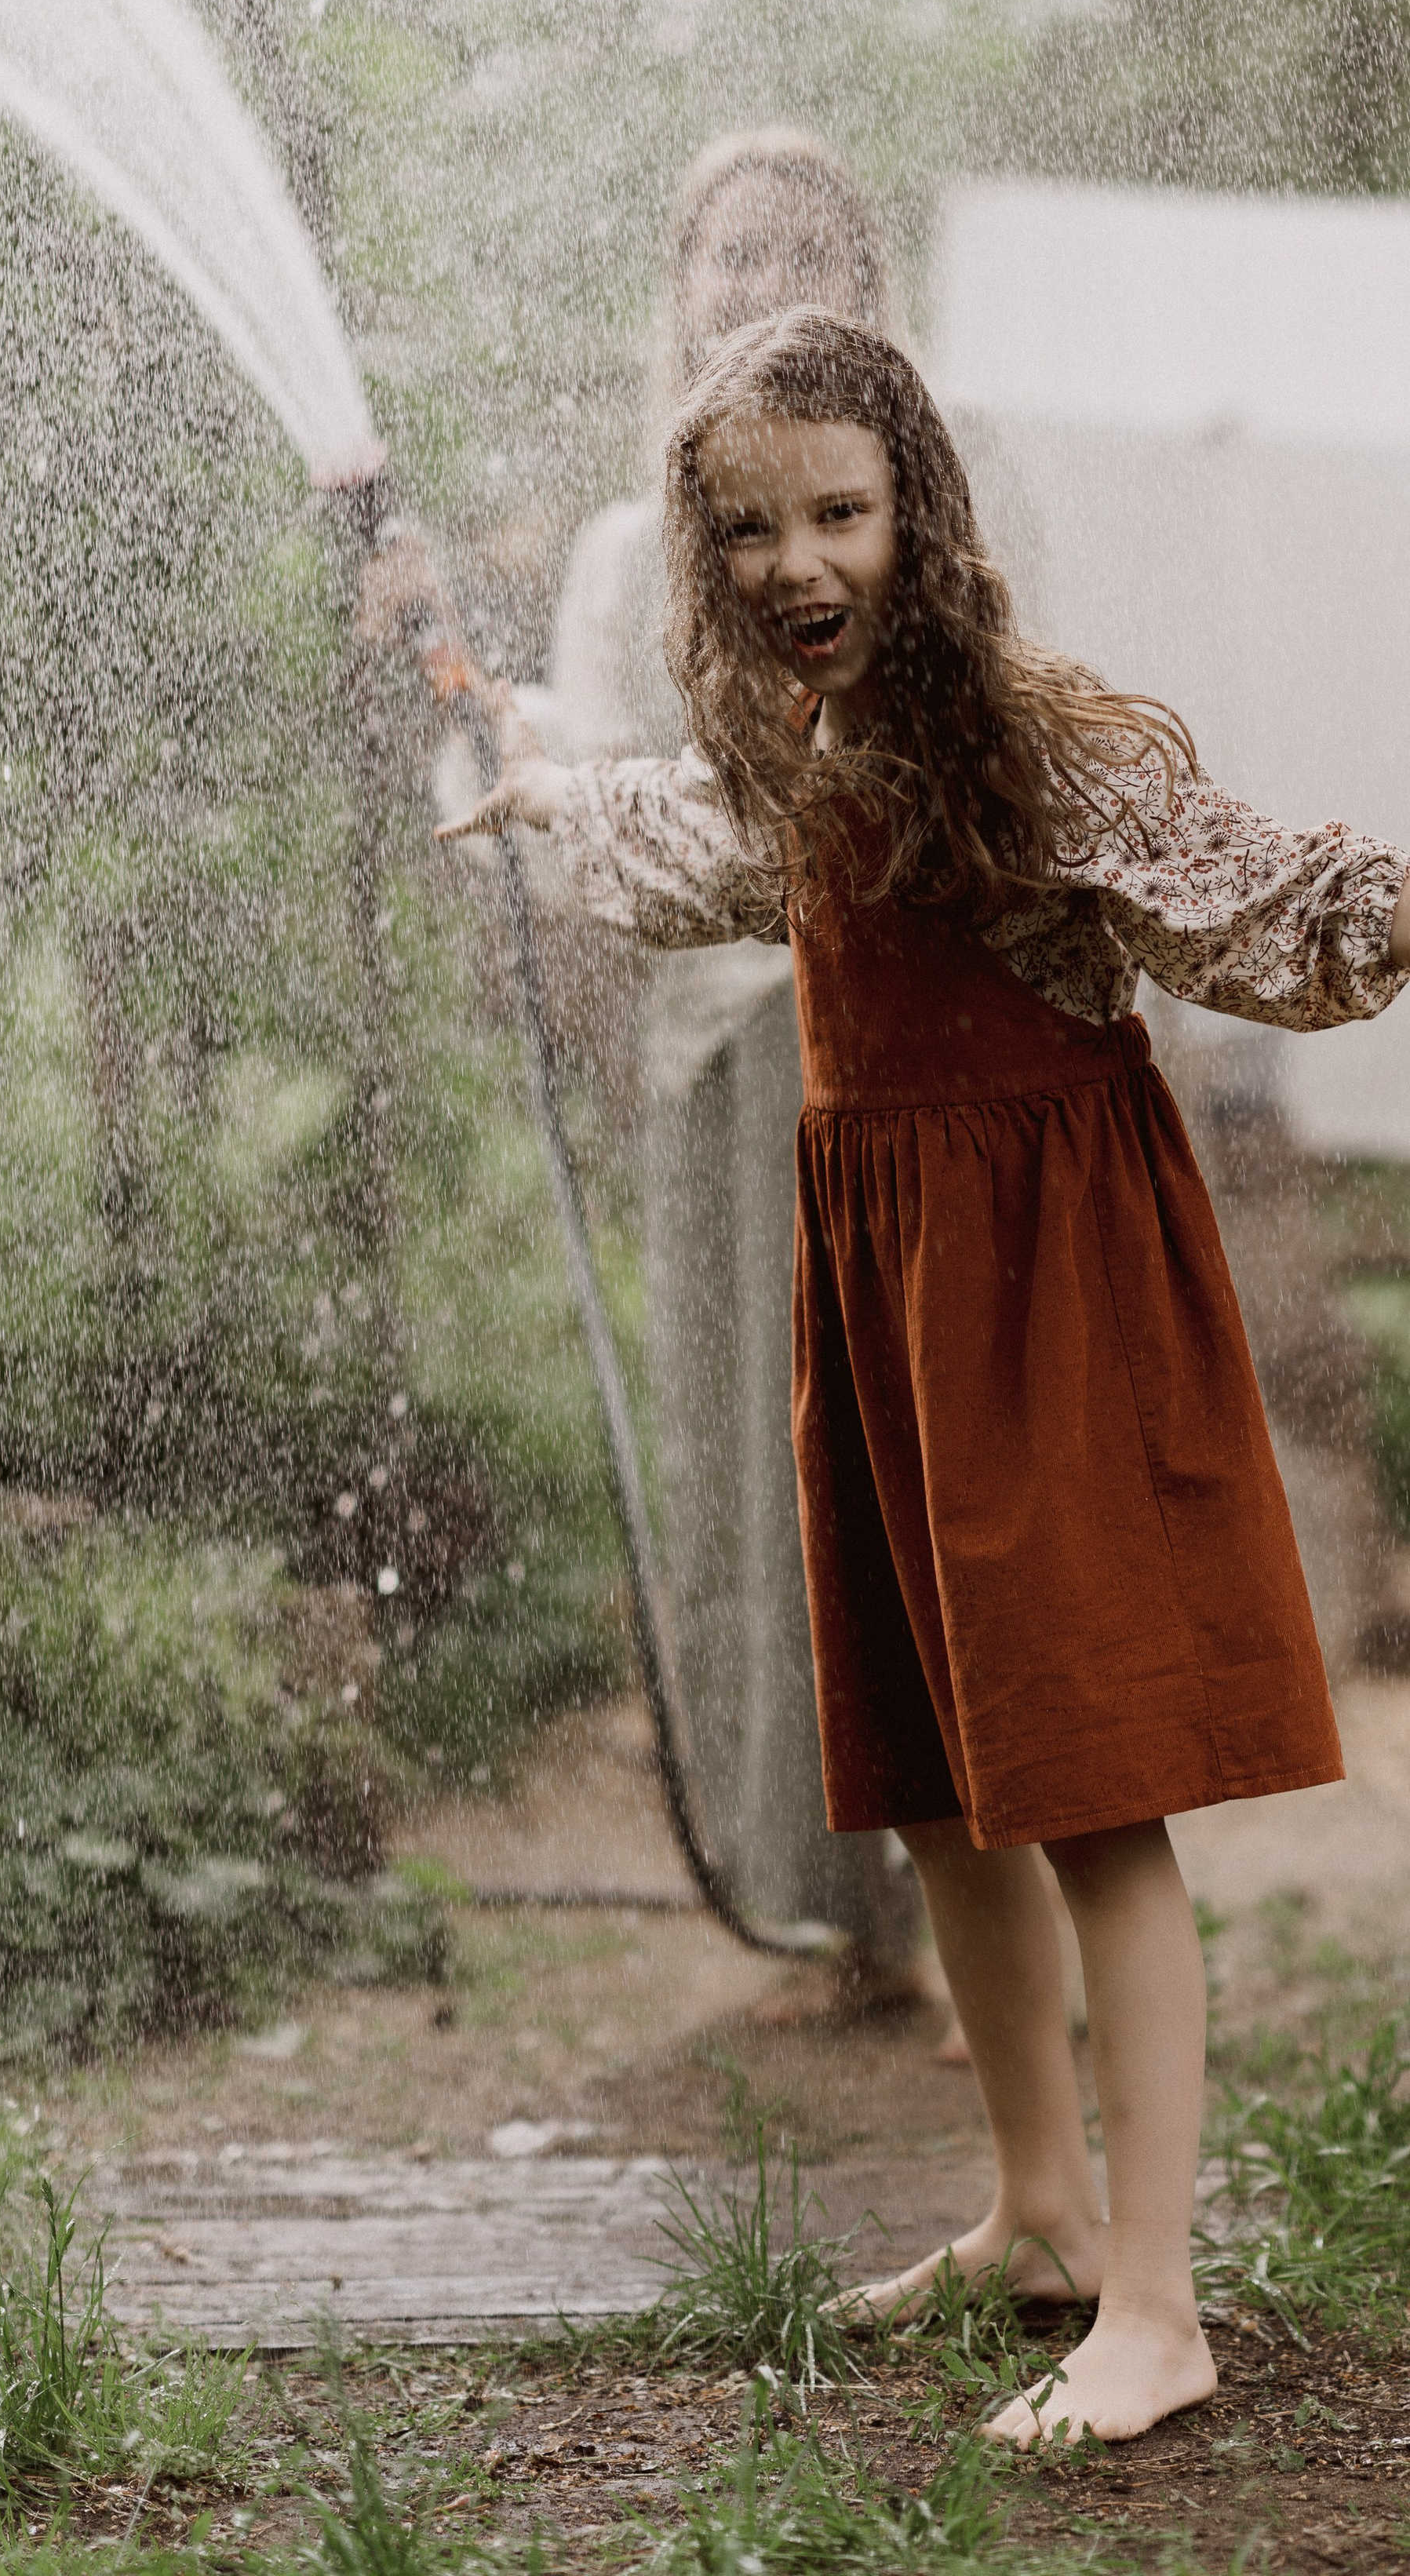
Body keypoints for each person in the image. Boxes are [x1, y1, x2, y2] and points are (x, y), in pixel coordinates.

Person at [439, 310, 1410, 2446]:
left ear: (918, 511)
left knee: (1090, 1798)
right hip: (885, 1292)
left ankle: (1158, 2308)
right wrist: (539, 783)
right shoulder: (799, 745)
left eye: (838, 513)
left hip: (1040, 1292)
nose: (797, 561)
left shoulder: (1020, 736)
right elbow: (679, 834)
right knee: (938, 1782)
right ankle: (1039, 2215)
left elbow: (1275, 882)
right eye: (748, 530)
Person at [513, 131, 1038, 1988]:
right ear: (680, 287)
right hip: (728, 1063)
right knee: (759, 1473)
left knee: (932, 1469)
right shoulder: (621, 553)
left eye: (802, 246)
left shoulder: (944, 503)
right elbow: (598, 812)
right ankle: (824, 1903)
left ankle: (985, 1904)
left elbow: (1006, 745)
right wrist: (499, 744)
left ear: (863, 287)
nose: (760, 278)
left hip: (915, 1045)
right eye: (729, 250)